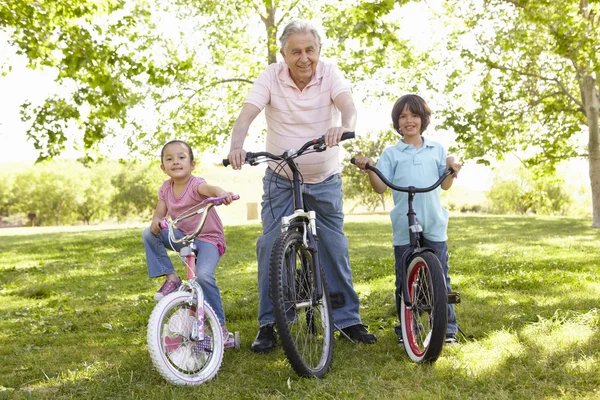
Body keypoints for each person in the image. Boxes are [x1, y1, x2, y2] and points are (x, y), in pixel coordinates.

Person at [227, 20, 376, 353]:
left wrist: (345, 127)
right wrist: (237, 145)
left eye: (310, 49)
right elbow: (247, 114)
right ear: (283, 53)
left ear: (319, 50)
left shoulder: (330, 73)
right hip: (280, 177)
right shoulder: (270, 76)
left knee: (334, 245)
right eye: (296, 51)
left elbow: (347, 105)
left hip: (324, 179)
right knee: (270, 245)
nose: (304, 57)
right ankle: (270, 322)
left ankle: (348, 320)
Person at [353, 94, 462, 344]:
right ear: (397, 122)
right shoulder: (392, 153)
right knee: (405, 280)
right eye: (403, 116)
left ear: (423, 119)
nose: (409, 120)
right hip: (405, 223)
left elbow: (445, 185)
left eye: (414, 115)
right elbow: (380, 187)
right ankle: (407, 329)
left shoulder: (436, 148)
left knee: (441, 276)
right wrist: (370, 168)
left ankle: (447, 328)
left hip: (433, 221)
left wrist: (451, 167)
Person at [142, 140, 235, 337]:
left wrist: (222, 194)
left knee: (203, 277)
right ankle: (172, 277)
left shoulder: (195, 185)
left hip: (208, 238)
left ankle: (220, 327)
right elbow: (159, 214)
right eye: (169, 159)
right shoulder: (166, 189)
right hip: (185, 237)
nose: (176, 162)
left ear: (192, 165)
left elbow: (211, 190)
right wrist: (157, 221)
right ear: (163, 167)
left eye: (181, 157)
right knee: (149, 234)